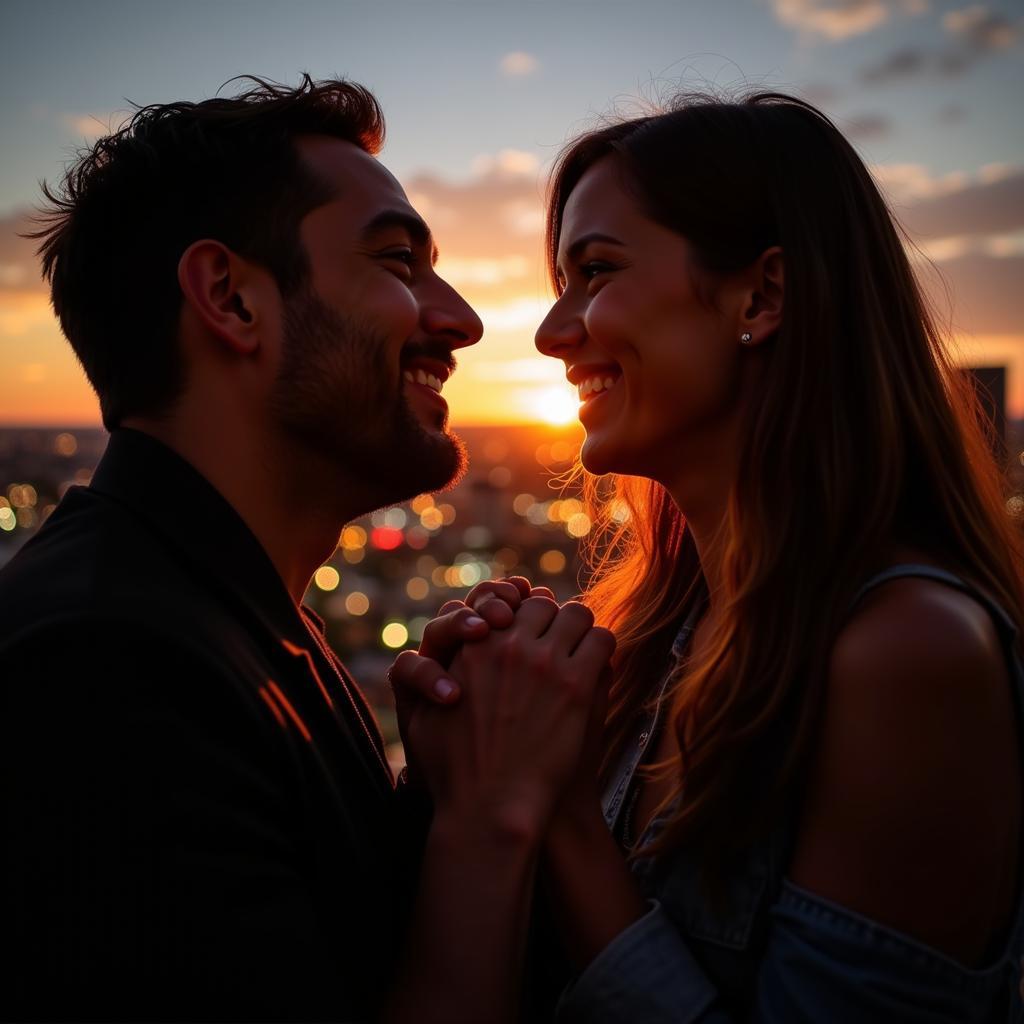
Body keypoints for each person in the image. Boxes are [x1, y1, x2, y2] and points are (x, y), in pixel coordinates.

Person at [392, 92, 1024, 1021]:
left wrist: (558, 810)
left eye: (596, 272)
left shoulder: (905, 651)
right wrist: (455, 768)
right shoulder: (654, 622)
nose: (552, 332)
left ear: (761, 296)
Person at [0, 76, 615, 1023]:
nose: (460, 319)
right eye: (398, 261)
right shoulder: (103, 667)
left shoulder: (226, 616)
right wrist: (489, 821)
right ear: (231, 300)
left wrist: (437, 792)